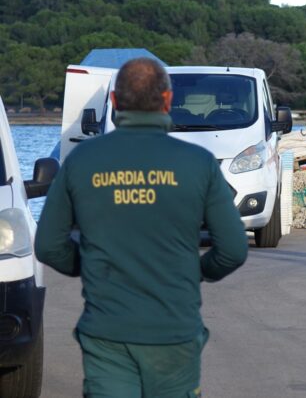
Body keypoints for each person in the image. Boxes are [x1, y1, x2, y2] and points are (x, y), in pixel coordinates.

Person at [35, 58, 249, 396]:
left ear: (115, 103)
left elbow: (48, 244)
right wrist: (195, 270)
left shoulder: (81, 160)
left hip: (107, 331)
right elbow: (234, 249)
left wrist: (88, 264)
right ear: (167, 100)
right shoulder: (198, 163)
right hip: (173, 332)